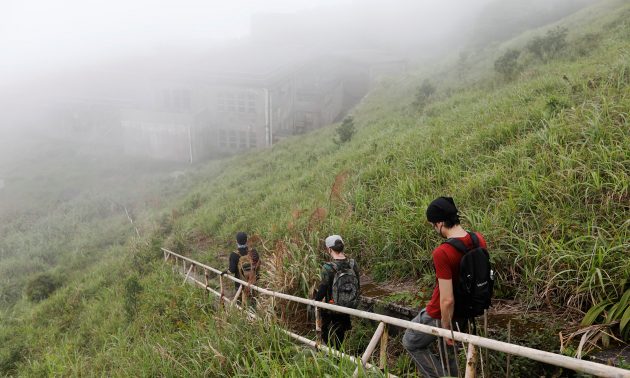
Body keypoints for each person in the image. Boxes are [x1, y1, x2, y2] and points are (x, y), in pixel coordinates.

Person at [402, 197, 488, 378]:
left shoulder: (442, 252)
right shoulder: (478, 239)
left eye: (433, 225)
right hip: (466, 310)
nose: (435, 229)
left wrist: (445, 326)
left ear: (440, 223)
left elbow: (447, 299)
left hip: (440, 313)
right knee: (449, 356)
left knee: (410, 341)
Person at [313, 234, 360, 348]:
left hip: (332, 306)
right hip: (348, 304)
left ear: (329, 249)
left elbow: (323, 289)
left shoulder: (328, 267)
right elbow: (358, 284)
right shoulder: (353, 263)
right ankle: (339, 352)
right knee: (340, 331)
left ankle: (332, 352)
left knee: (324, 329)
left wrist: (315, 301)